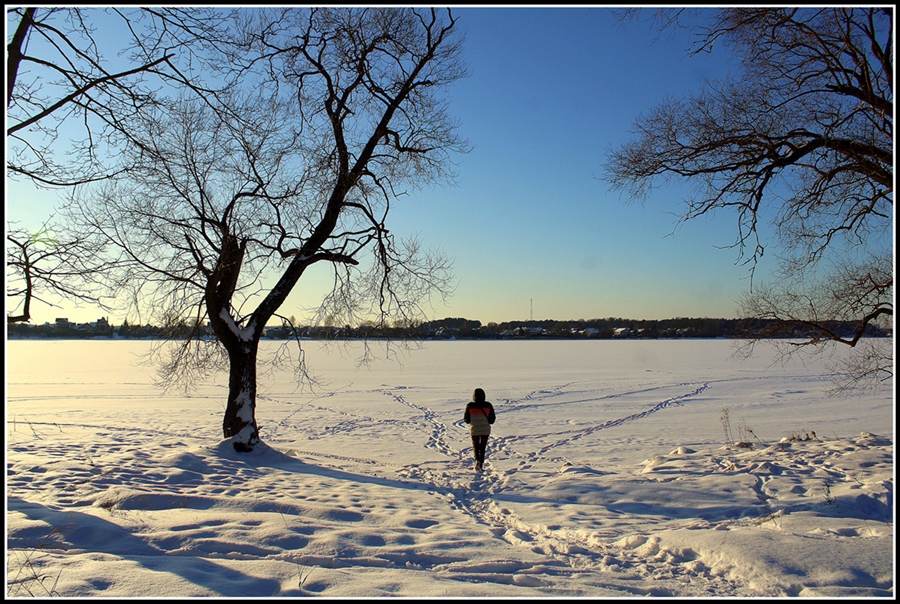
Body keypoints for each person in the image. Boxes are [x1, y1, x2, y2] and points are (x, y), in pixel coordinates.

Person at [464, 388, 495, 472]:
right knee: (483, 447)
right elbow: (492, 420)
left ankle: (477, 461)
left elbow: (466, 420)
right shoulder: (488, 405)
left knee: (476, 446)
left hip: (474, 429)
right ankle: (481, 464)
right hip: (485, 430)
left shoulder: (470, 406)